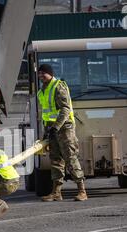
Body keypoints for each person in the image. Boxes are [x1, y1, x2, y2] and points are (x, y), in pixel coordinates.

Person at [37, 64, 87, 201]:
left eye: (43, 73)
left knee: (70, 158)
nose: (41, 76)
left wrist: (56, 127)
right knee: (56, 160)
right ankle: (56, 192)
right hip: (52, 129)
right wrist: (47, 131)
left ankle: (82, 191)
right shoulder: (42, 90)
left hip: (64, 128)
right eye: (39, 74)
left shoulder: (58, 86)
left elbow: (65, 109)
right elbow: (46, 113)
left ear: (50, 74)